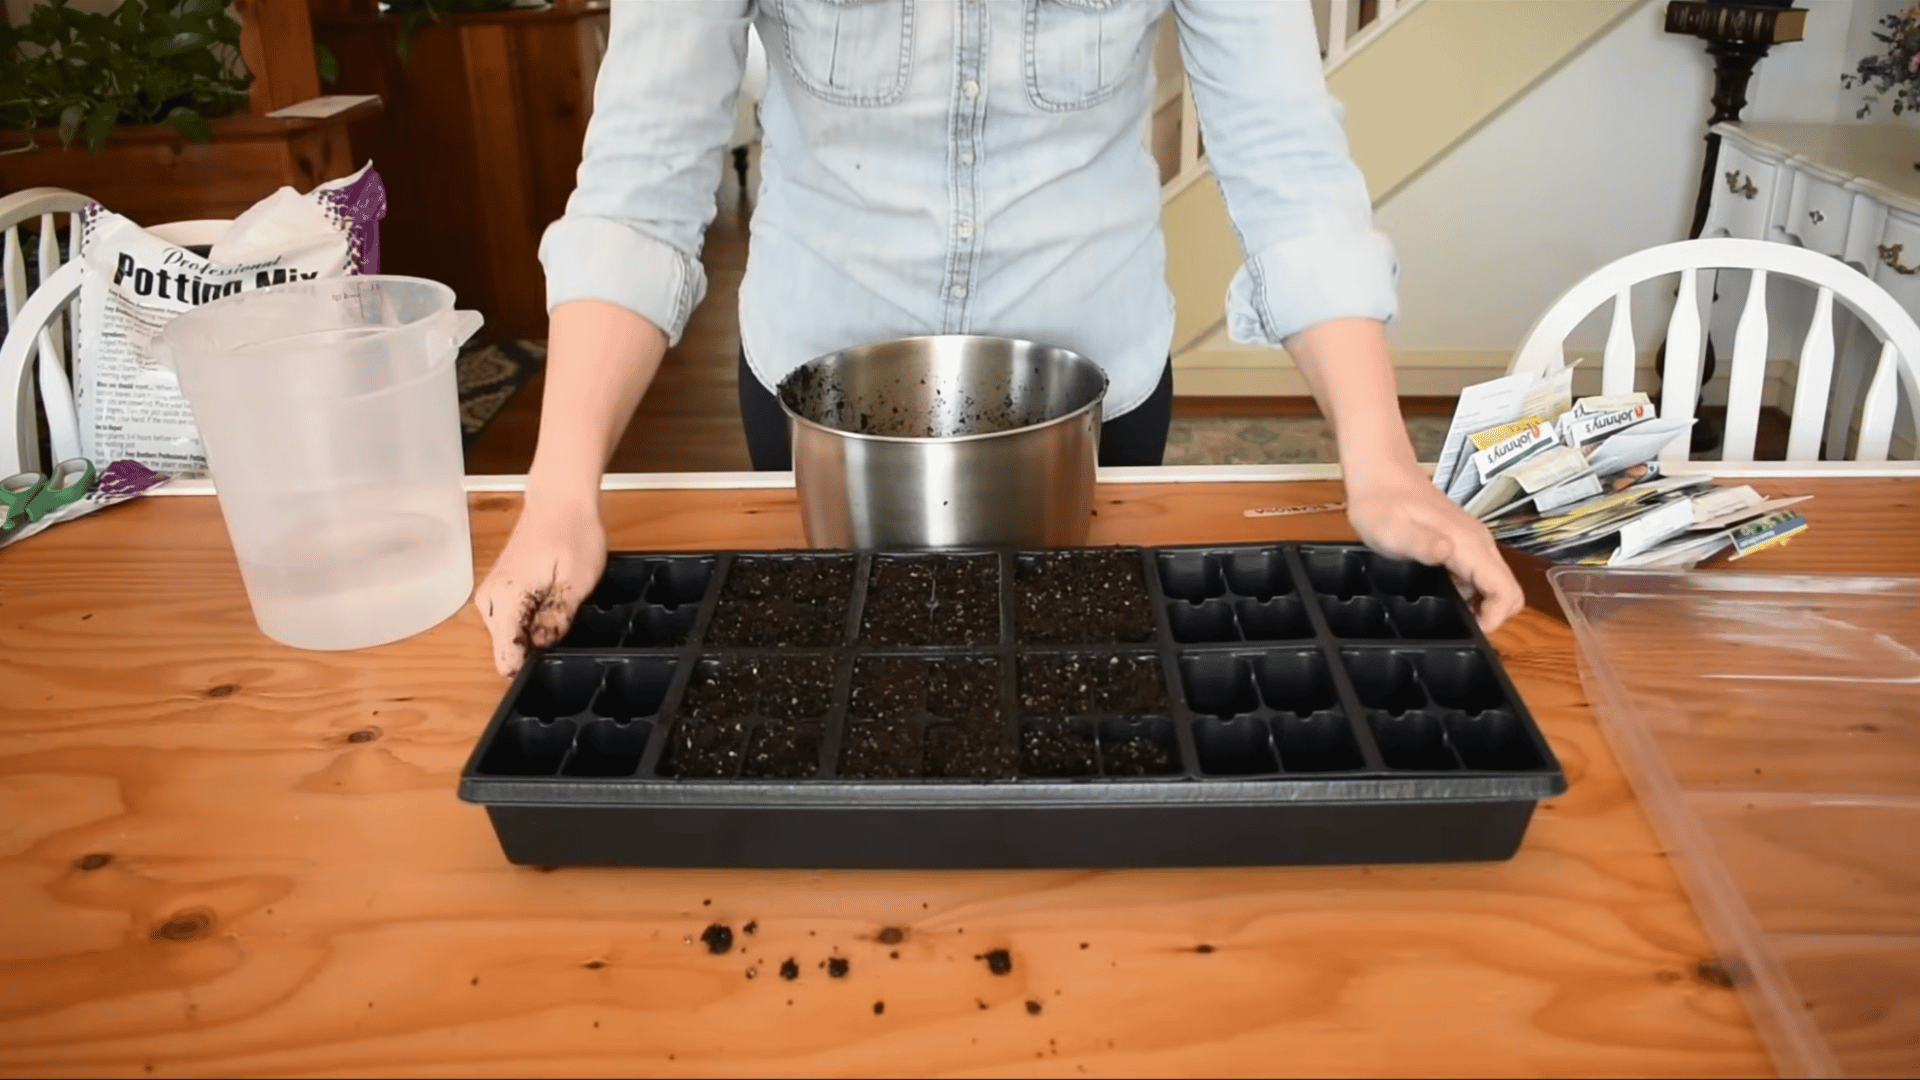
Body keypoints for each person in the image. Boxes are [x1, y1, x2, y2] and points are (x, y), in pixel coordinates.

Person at [475, 0, 1524, 678]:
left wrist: (1382, 466)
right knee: (856, 686)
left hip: (1094, 407)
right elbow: (640, 184)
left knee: (1072, 687)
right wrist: (561, 491)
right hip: (819, 408)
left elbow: (1286, 161)